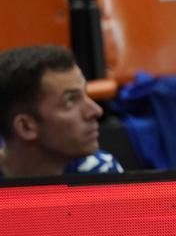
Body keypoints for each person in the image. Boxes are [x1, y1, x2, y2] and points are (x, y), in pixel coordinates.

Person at [0, 45, 118, 178]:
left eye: (85, 94)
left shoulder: (99, 170)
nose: (96, 110)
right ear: (26, 127)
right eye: (70, 101)